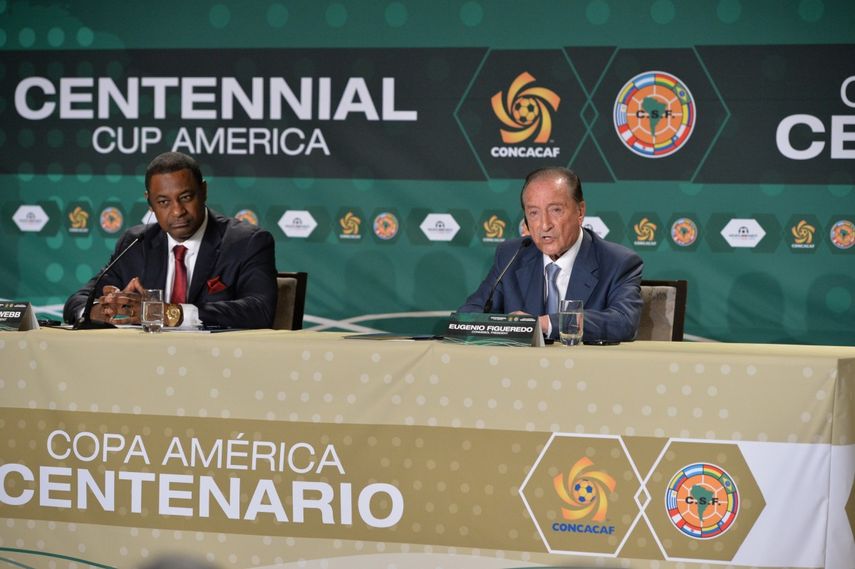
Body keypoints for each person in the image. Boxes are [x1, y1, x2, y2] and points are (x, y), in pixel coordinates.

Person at [63, 151, 277, 329]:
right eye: (163, 201)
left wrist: (170, 313)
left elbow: (260, 310)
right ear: (150, 203)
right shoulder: (137, 243)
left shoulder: (247, 243)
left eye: (185, 197)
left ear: (203, 191)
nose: (177, 211)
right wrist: (99, 311)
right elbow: (78, 300)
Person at [458, 166, 642, 341]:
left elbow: (623, 322)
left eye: (556, 210)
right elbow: (470, 314)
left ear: (580, 211)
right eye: (534, 213)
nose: (545, 225)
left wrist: (544, 324)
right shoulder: (512, 256)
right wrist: (505, 326)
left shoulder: (617, 262)